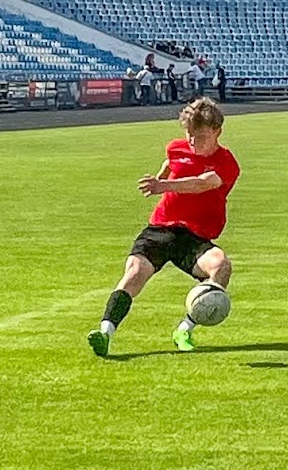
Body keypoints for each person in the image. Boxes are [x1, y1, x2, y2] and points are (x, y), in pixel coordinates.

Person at [87, 98, 241, 356]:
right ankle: (105, 332)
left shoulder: (226, 161)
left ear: (217, 132)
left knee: (220, 266)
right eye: (190, 135)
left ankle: (185, 328)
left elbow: (204, 183)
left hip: (194, 236)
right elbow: (170, 163)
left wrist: (164, 186)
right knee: (135, 272)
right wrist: (159, 178)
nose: (193, 142)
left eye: (201, 136)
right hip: (161, 228)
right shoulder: (177, 148)